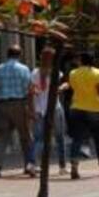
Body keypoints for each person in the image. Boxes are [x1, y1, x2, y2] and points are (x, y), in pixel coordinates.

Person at [67, 51, 99, 180]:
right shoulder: (98, 73)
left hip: (76, 108)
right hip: (95, 109)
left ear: (81, 60)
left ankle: (74, 168)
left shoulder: (73, 73)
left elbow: (72, 87)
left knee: (77, 139)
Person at [0, 44, 35, 178]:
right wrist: (31, 108)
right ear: (19, 55)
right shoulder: (24, 69)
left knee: (1, 136)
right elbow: (29, 88)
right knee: (26, 136)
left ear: (7, 54)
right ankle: (29, 165)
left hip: (4, 104)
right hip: (20, 103)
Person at [30, 46, 67, 175]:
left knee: (39, 138)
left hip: (40, 108)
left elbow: (32, 91)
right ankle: (62, 166)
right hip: (54, 107)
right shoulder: (56, 72)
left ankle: (32, 163)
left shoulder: (35, 72)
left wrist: (32, 109)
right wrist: (63, 86)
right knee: (59, 137)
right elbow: (58, 87)